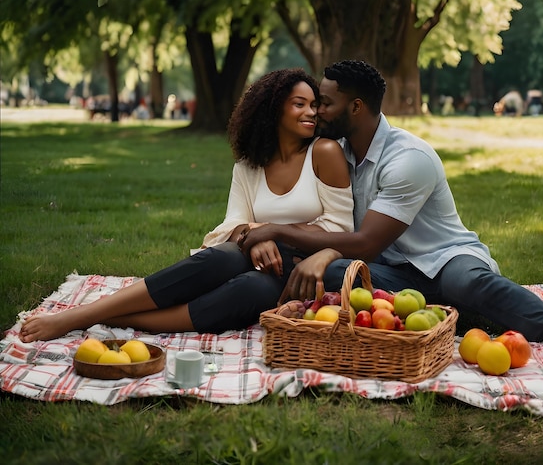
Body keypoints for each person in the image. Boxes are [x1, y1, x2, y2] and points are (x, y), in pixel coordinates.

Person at [239, 60, 543, 360]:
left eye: (325, 102)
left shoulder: (408, 158)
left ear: (355, 107)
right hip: (394, 272)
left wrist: (276, 230)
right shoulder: (338, 154)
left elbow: (367, 242)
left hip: (445, 259)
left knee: (461, 283)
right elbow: (348, 238)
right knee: (339, 273)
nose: (317, 111)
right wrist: (320, 251)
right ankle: (483, 313)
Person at [19, 69, 353, 342]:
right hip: (250, 257)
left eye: (313, 105)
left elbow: (342, 228)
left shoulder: (323, 153)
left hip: (302, 271)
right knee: (219, 258)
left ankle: (108, 316)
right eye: (299, 104)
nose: (311, 112)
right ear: (273, 108)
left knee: (249, 289)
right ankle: (82, 315)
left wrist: (274, 233)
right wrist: (256, 235)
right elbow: (227, 227)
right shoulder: (248, 166)